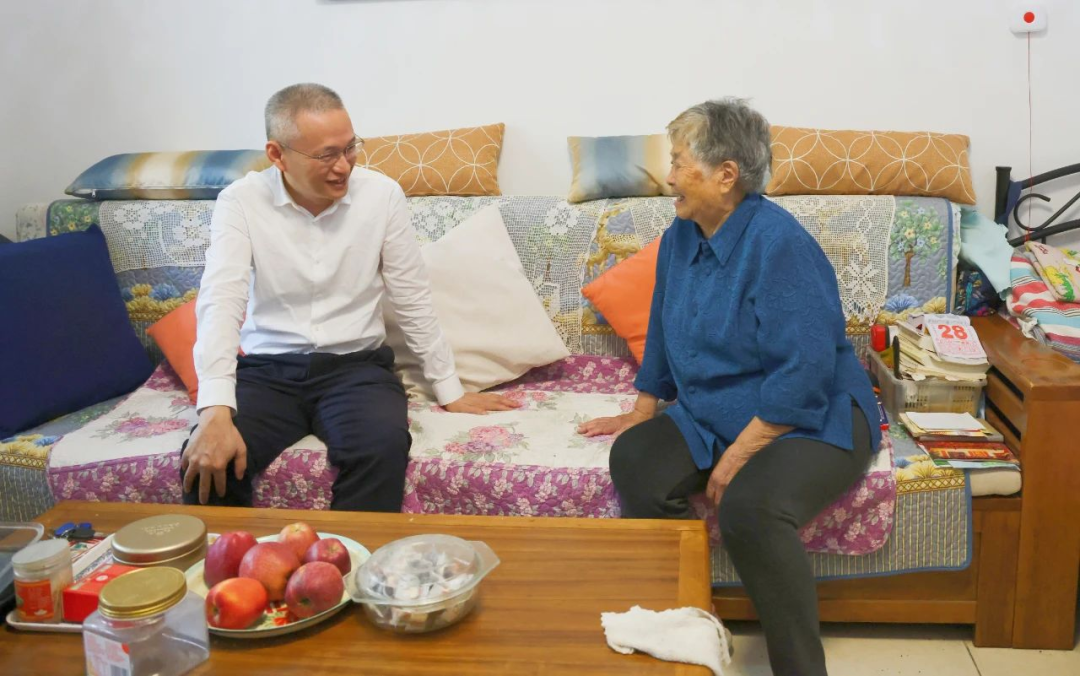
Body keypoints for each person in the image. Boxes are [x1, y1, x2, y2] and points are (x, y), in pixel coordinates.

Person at [577, 98, 881, 676]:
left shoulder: (779, 244)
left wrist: (742, 451)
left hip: (811, 412)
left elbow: (807, 367)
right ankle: (687, 629)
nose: (668, 176)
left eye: (678, 161)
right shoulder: (681, 234)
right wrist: (643, 408)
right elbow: (664, 324)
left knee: (751, 506)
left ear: (726, 174)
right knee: (636, 460)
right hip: (715, 408)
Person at [181, 83, 516, 511]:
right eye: (326, 155)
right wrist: (214, 409)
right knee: (209, 464)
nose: (343, 166)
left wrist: (449, 387)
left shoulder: (381, 195)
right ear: (277, 154)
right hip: (267, 372)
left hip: (356, 370)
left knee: (381, 449)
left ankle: (349, 554)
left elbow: (411, 296)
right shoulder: (240, 202)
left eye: (350, 148)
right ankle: (235, 558)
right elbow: (221, 301)